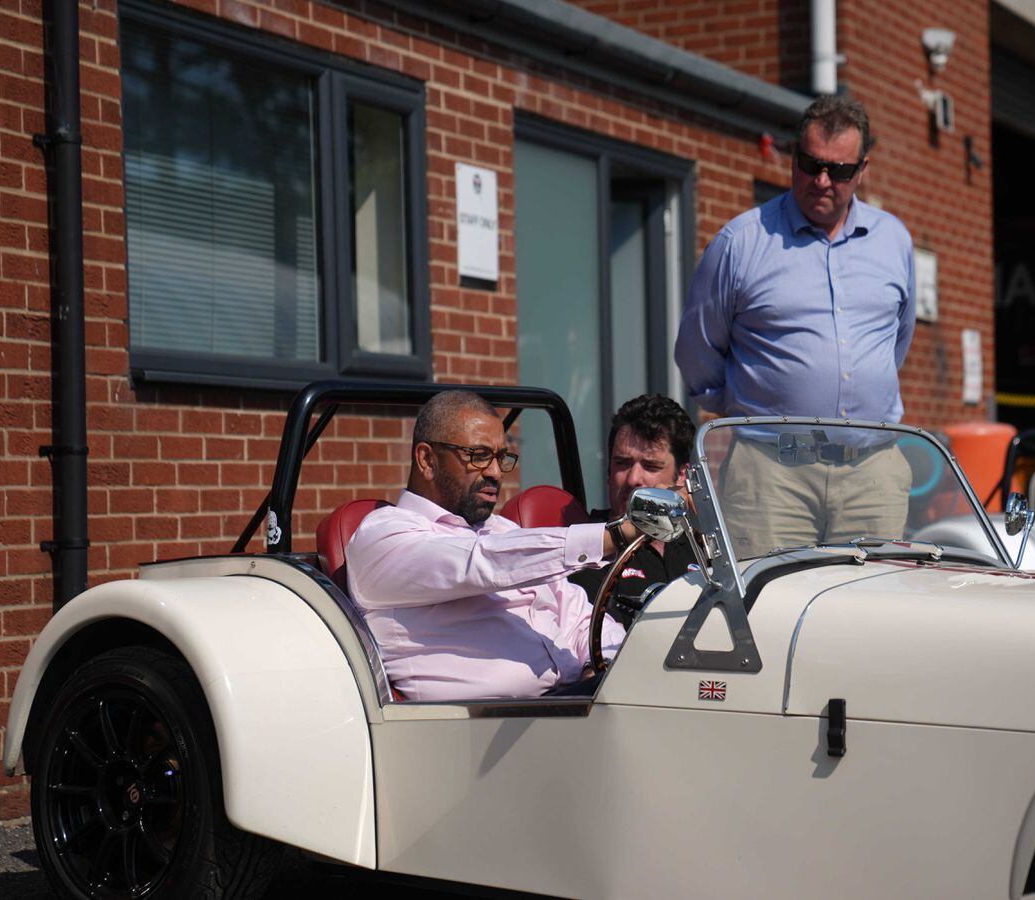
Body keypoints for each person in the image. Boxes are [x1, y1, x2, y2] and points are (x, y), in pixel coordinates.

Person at [674, 95, 914, 556]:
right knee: (769, 614)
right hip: (772, 473)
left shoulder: (894, 241)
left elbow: (894, 344)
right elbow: (696, 350)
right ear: (793, 156)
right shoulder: (741, 242)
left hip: (872, 472)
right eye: (811, 164)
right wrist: (751, 406)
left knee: (874, 616)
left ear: (862, 170)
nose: (823, 181)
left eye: (840, 171)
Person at [345, 390, 630, 702]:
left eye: (500, 458)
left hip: (572, 706)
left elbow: (579, 615)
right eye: (478, 456)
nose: (495, 472)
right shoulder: (384, 536)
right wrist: (612, 536)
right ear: (427, 460)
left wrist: (601, 664)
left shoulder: (500, 530)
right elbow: (478, 563)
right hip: (479, 731)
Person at [570, 395, 701, 625]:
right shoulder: (587, 550)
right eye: (622, 463)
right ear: (608, 472)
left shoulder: (701, 544)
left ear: (682, 476)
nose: (633, 479)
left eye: (650, 466)